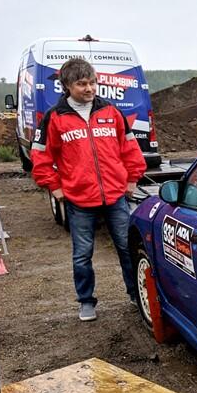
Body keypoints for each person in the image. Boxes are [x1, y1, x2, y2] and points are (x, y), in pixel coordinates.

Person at [31, 58, 146, 321]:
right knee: (82, 255)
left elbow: (129, 148)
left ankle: (135, 295)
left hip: (115, 195)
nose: (89, 88)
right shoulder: (55, 117)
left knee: (127, 248)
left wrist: (131, 180)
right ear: (67, 86)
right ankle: (86, 301)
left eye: (92, 82)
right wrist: (54, 187)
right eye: (82, 84)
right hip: (79, 200)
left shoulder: (111, 112)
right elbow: (40, 157)